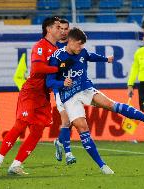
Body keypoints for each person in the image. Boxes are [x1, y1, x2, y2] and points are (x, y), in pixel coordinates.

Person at [46, 27, 144, 174]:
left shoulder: (82, 52)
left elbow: (90, 55)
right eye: (79, 44)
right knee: (82, 127)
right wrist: (61, 83)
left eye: (82, 45)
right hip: (69, 97)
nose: (81, 48)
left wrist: (106, 59)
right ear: (70, 42)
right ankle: (102, 166)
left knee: (110, 104)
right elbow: (49, 82)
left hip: (84, 87)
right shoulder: (57, 57)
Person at [0, 16, 70, 175]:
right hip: (31, 92)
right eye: (58, 27)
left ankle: (16, 165)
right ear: (49, 29)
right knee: (20, 126)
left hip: (44, 95)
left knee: (38, 132)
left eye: (62, 28)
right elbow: (38, 67)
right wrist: (59, 69)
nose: (61, 30)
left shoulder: (59, 51)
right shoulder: (40, 46)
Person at [52, 18, 77, 165]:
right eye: (60, 28)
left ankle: (59, 142)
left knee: (72, 121)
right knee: (66, 120)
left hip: (74, 89)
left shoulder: (73, 46)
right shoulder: (54, 48)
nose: (63, 31)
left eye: (65, 29)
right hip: (60, 89)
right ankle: (68, 154)